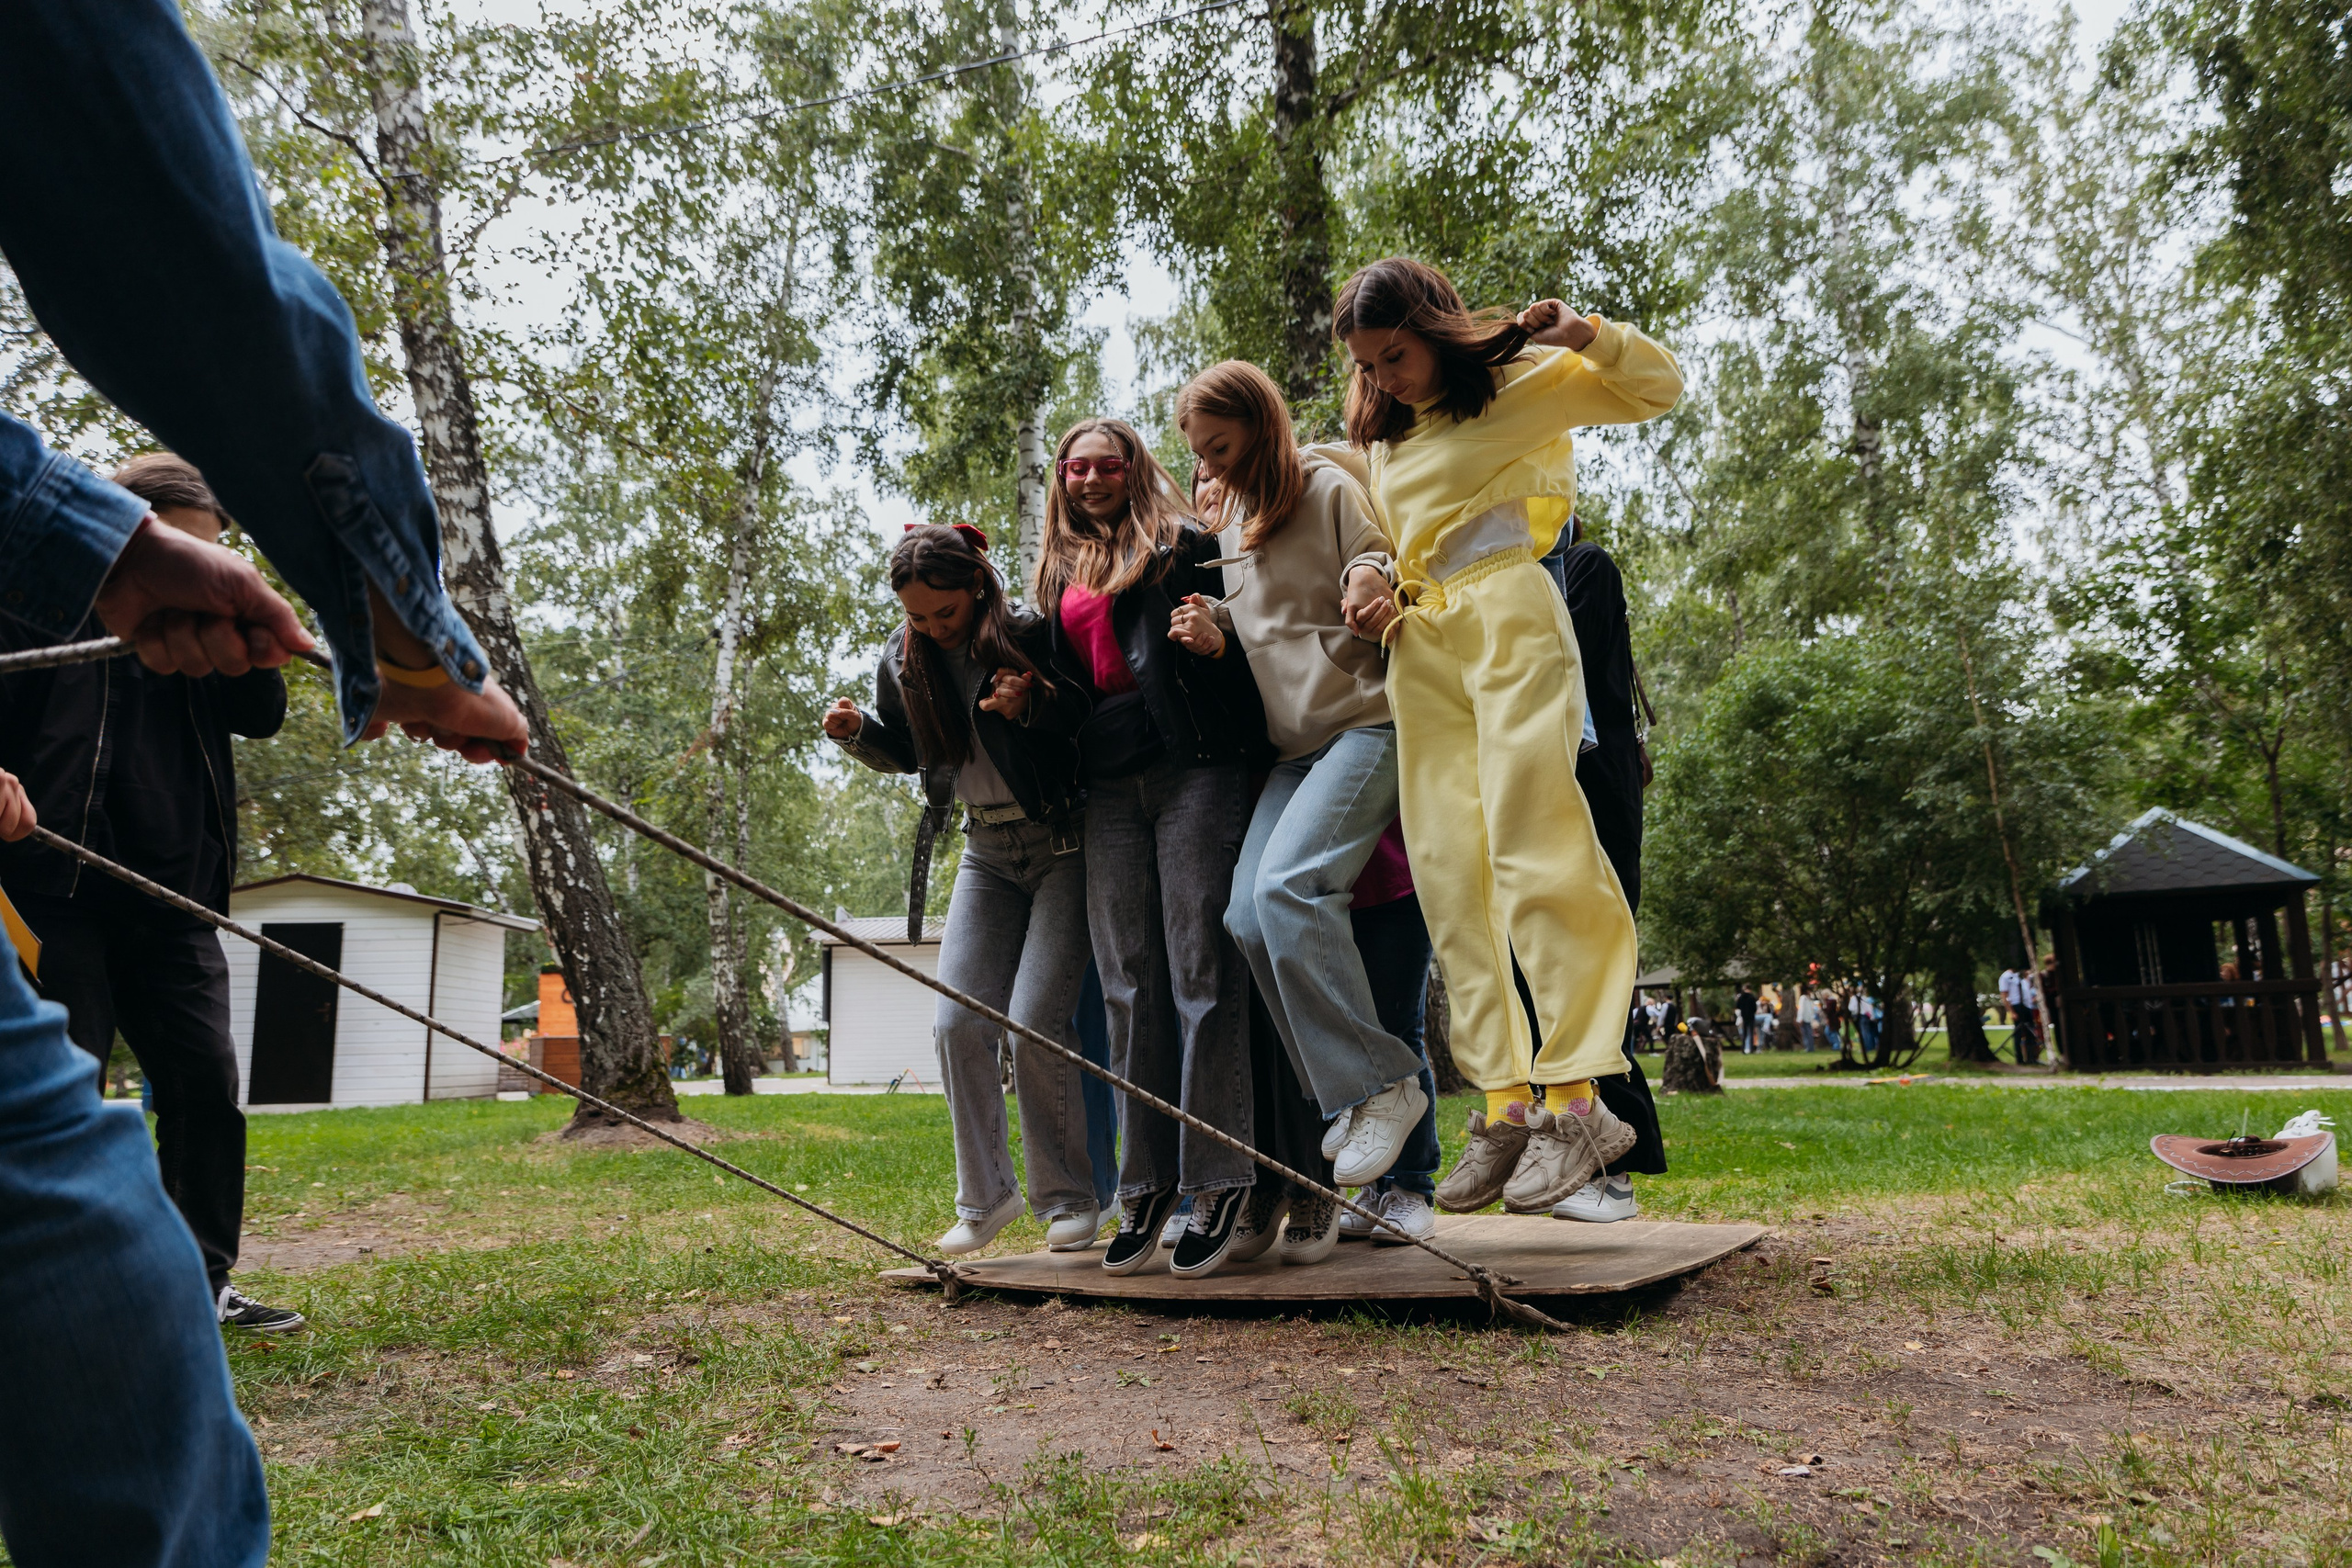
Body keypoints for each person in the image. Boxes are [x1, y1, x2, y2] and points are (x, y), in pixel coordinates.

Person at [0, 5, 528, 1560]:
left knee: (155, 1129)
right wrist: (395, 606)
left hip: (173, 877)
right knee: (65, 1200)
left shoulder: (131, 606)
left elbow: (247, 731)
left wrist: (94, 548)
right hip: (48, 880)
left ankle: (213, 1265)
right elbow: (148, 199)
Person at [1333, 257, 1680, 1216]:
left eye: (1393, 355)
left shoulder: (1520, 385)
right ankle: (1504, 1105)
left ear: (1434, 328)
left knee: (1536, 845)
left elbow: (1656, 386)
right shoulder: (1386, 437)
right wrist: (1373, 590)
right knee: (1449, 870)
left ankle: (1579, 1106)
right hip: (1422, 641)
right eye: (1367, 364)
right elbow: (1391, 540)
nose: (1382, 376)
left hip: (1510, 613)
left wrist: (1586, 334)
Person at [0, 455, 300, 1332]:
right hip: (50, 887)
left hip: (174, 894)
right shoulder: (36, 606)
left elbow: (266, 712)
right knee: (64, 1096)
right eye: (180, 550)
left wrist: (240, 616)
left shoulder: (212, 640)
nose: (198, 573)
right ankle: (53, 1296)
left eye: (214, 554)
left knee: (205, 1090)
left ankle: (199, 1283)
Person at [1168, 361, 1428, 1269]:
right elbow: (1270, 624)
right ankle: (1362, 1089)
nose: (1210, 466)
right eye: (1198, 454)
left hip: (1366, 722)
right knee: (1245, 915)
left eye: (1221, 447)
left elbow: (1370, 551)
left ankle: (1387, 1084)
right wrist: (1216, 630)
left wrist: (1367, 582)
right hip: (1295, 744)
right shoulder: (1231, 523)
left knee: (1286, 890)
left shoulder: (1320, 485)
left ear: (1261, 427)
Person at [1033, 417, 1269, 1278]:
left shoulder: (1181, 543)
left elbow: (1241, 649)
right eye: (1076, 466)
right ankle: (1146, 1183)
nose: (1090, 478)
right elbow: (1070, 691)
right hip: (1108, 786)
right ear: (1062, 477)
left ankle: (1216, 1176)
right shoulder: (1059, 568)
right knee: (1129, 984)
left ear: (1134, 468)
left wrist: (1214, 637)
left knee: (1199, 969)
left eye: (1107, 464)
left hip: (1190, 768)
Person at [824, 525, 1100, 1258]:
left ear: (976, 583)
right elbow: (913, 751)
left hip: (1062, 842)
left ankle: (1068, 1197)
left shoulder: (1031, 632)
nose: (931, 628)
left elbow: (1085, 722)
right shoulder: (901, 655)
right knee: (955, 1024)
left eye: (943, 614)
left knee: (1035, 1022)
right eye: (917, 616)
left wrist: (1031, 704)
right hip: (985, 850)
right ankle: (987, 1197)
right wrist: (858, 734)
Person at [1532, 520, 1666, 1222]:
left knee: (1589, 969)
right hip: (1550, 789)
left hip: (1593, 788)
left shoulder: (1584, 567)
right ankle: (1577, 1147)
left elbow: (1554, 664)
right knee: (1549, 973)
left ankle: (1612, 1167)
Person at [1331, 823, 1442, 1247]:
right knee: (1353, 1041)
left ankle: (1412, 1190)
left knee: (1398, 1034)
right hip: (1331, 892)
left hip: (1397, 881)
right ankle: (1374, 1188)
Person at [1736, 985, 1759, 1054]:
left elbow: (1738, 1006)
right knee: (1751, 1033)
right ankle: (1751, 1049)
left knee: (1744, 1033)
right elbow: (1755, 1008)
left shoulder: (1741, 997)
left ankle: (1743, 1049)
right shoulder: (1752, 997)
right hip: (1751, 1016)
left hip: (1744, 1017)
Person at [1797, 987, 1822, 1052]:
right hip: (1809, 1018)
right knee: (1809, 1033)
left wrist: (1800, 1018)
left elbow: (1801, 1009)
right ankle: (1811, 1048)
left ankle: (1809, 1048)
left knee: (1806, 1034)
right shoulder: (1809, 999)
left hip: (1805, 1018)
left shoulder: (1803, 998)